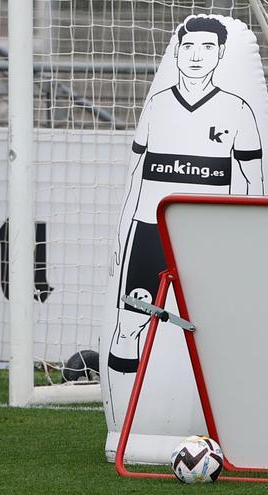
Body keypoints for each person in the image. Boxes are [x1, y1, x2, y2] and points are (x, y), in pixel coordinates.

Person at [105, 16, 262, 425]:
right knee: (127, 330)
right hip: (150, 230)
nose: (196, 55)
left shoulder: (237, 109)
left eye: (207, 47)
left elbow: (252, 181)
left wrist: (247, 240)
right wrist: (124, 235)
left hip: (212, 236)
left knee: (220, 331)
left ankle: (227, 426)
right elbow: (138, 176)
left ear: (220, 54)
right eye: (189, 46)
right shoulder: (158, 106)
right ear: (177, 52)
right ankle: (133, 431)